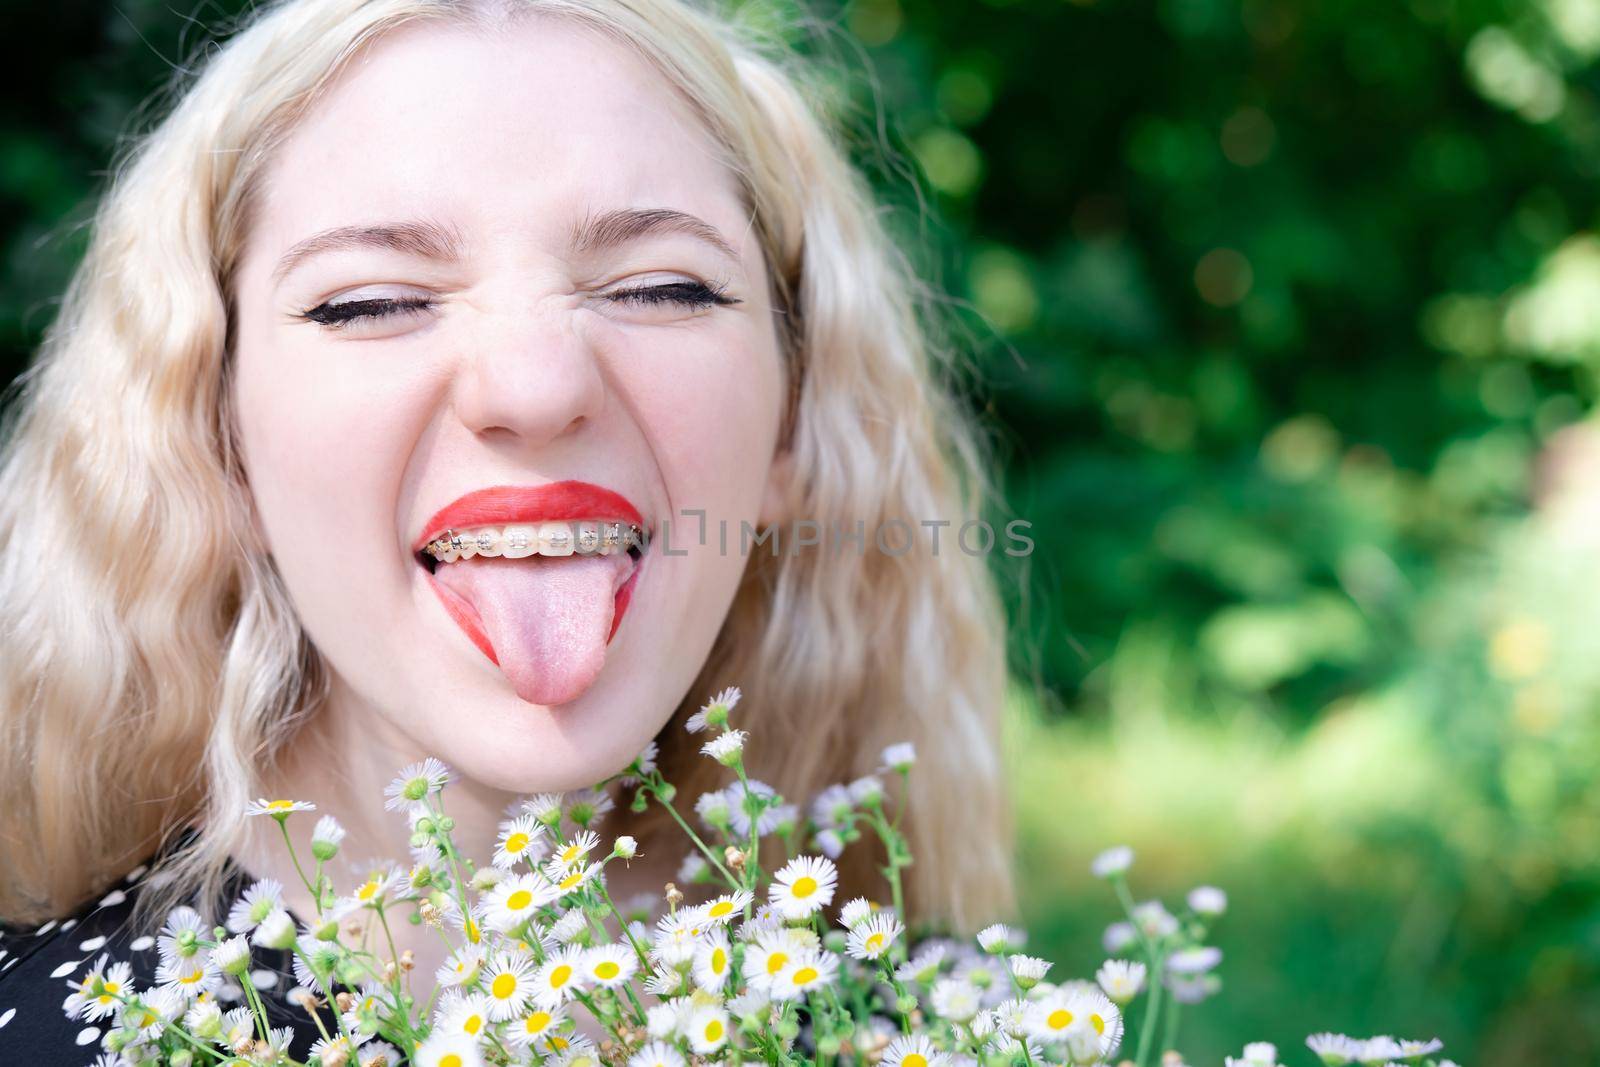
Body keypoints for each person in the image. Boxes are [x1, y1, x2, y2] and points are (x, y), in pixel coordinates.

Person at [0, 0, 1014, 1058]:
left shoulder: (943, 1027)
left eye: (660, 287)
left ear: (794, 427)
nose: (534, 387)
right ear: (219, 441)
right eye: (372, 302)